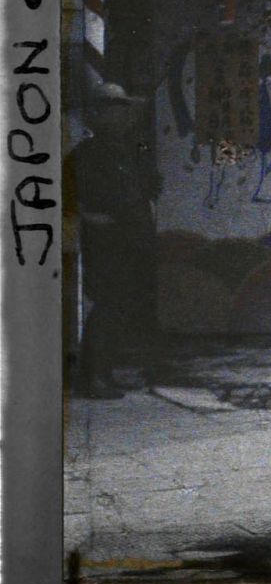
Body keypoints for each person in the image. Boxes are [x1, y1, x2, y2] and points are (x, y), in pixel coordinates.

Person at [73, 96, 161, 398]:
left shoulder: (131, 150)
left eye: (122, 110)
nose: (120, 117)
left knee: (122, 307)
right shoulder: (88, 153)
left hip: (134, 237)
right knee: (109, 306)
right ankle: (94, 377)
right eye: (112, 110)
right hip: (108, 240)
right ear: (99, 117)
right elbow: (84, 195)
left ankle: (104, 373)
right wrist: (99, 218)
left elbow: (152, 184)